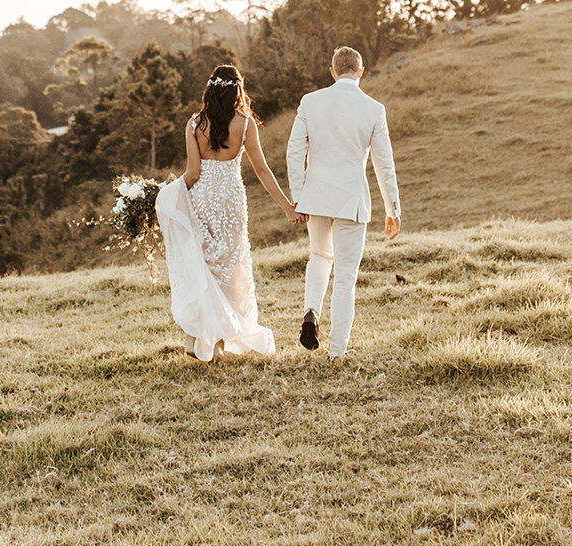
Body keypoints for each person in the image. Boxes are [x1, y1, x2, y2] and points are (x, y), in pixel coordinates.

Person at [154, 64, 300, 361]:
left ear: (210, 89)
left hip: (202, 199)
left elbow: (192, 174)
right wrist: (287, 207)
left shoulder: (195, 123)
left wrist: (163, 196)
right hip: (230, 201)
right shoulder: (245, 124)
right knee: (230, 269)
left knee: (203, 264)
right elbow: (261, 169)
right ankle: (218, 344)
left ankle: (192, 337)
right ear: (237, 89)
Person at [287, 45, 401, 358]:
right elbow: (384, 163)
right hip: (351, 199)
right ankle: (337, 350)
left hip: (316, 195)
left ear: (333, 71)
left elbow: (294, 150)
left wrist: (298, 196)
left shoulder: (311, 101)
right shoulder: (374, 108)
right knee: (346, 276)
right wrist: (393, 209)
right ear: (360, 71)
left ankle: (311, 310)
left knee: (319, 256)